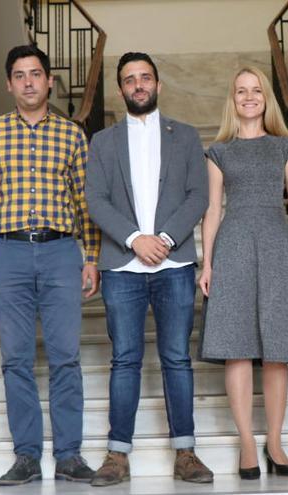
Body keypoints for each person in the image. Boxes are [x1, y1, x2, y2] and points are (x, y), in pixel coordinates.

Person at [0, 44, 98, 486]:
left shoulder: (72, 135)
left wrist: (90, 257)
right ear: (9, 84)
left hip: (60, 253)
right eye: (19, 75)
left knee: (65, 358)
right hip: (6, 253)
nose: (29, 82)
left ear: (49, 80)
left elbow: (86, 202)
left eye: (36, 74)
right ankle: (26, 457)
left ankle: (70, 455)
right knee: (15, 359)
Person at [84, 52, 213, 487]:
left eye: (145, 77)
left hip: (174, 264)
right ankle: (117, 456)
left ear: (158, 84)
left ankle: (187, 452)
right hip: (122, 266)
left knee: (177, 359)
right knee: (125, 360)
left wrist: (166, 240)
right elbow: (96, 200)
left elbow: (198, 196)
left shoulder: (188, 136)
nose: (138, 85)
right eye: (129, 79)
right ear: (120, 89)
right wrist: (135, 238)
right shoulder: (102, 142)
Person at [198, 66, 288, 480]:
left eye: (256, 90)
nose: (249, 97)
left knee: (277, 347)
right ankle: (248, 442)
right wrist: (207, 263)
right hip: (232, 247)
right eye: (241, 91)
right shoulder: (218, 151)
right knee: (237, 346)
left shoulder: (284, 146)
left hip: (276, 245)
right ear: (233, 99)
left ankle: (276, 442)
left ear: (266, 98)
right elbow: (212, 211)